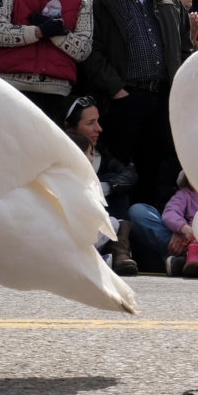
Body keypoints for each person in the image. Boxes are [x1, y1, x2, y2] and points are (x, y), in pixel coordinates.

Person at [84, 0, 191, 209]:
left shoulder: (171, 0)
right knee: (123, 171)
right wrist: (116, 90)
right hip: (123, 101)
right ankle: (124, 238)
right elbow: (89, 51)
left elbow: (185, 50)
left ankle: (155, 239)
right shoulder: (100, 1)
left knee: (162, 171)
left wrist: (177, 89)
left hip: (163, 100)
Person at [64, 95, 140, 275]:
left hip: (97, 222)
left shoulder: (102, 155)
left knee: (116, 186)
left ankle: (119, 251)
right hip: (67, 224)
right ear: (71, 127)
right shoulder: (57, 155)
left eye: (98, 122)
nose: (98, 128)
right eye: (91, 123)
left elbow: (129, 175)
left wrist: (104, 187)